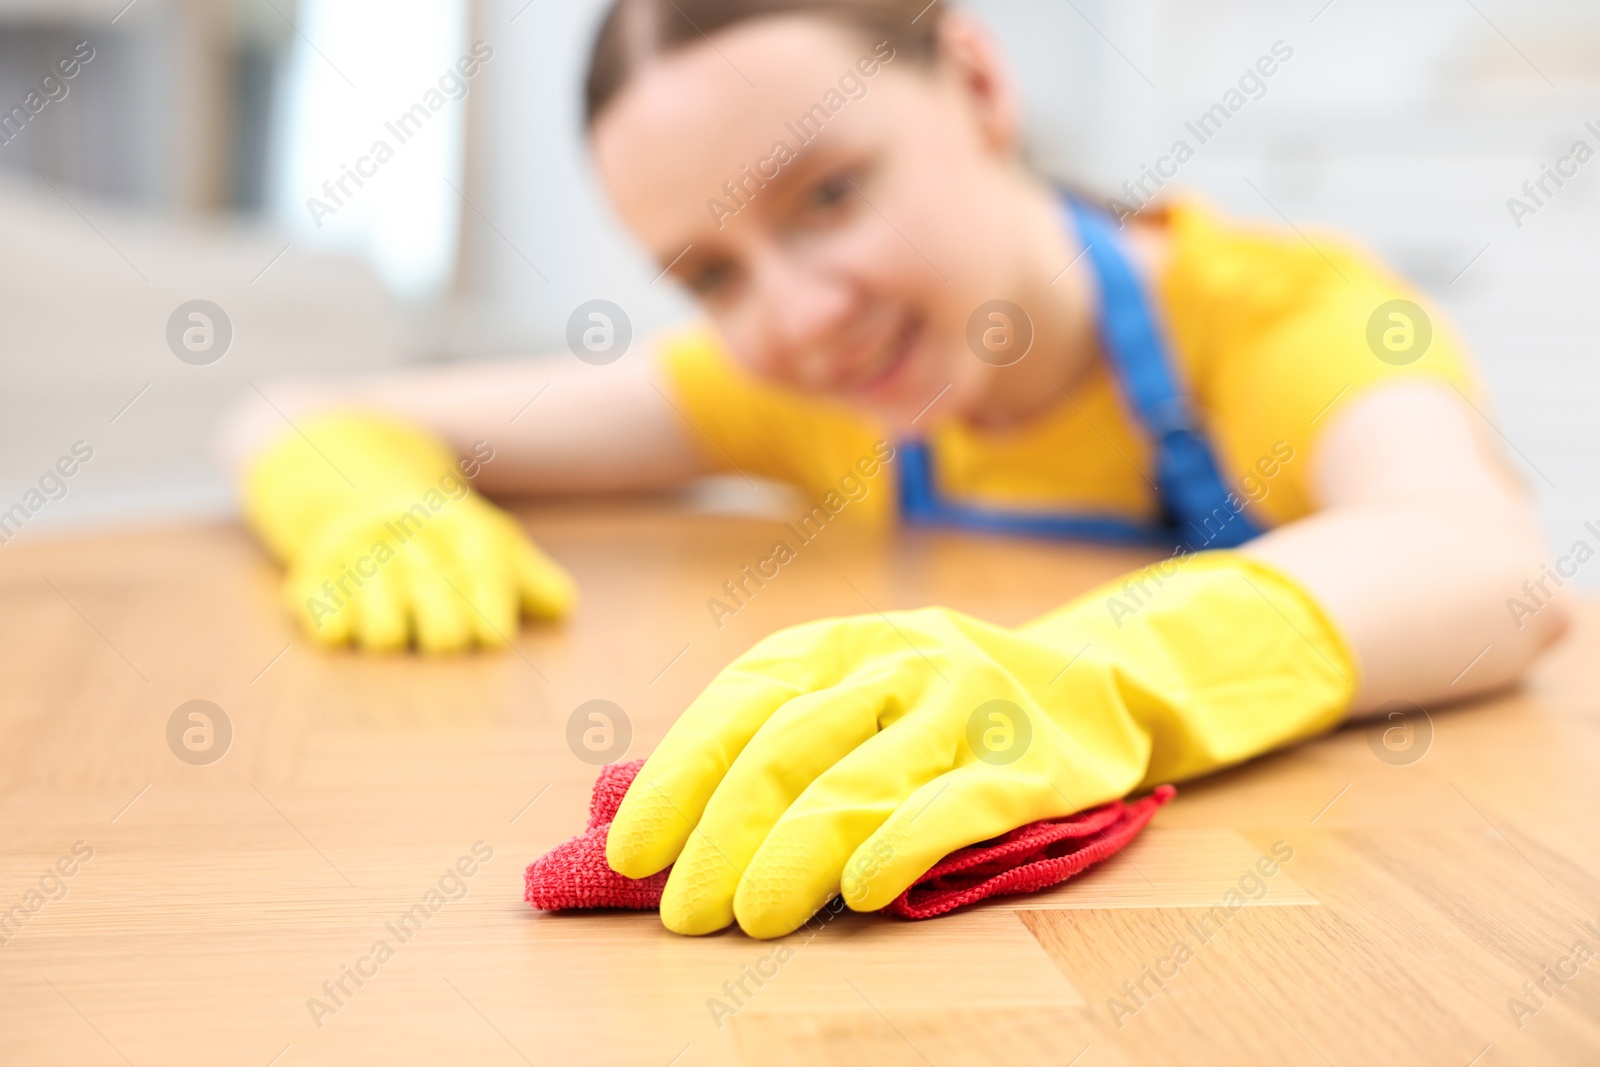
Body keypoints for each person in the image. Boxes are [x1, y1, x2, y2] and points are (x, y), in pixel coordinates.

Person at [230, 0, 1566, 939]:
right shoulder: (809, 398)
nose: (799, 317)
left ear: (979, 86)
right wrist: (351, 490)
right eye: (709, 275)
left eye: (827, 195)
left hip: (1368, 894)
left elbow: (1485, 562)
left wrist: (1096, 682)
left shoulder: (1279, 316)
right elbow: (296, 411)